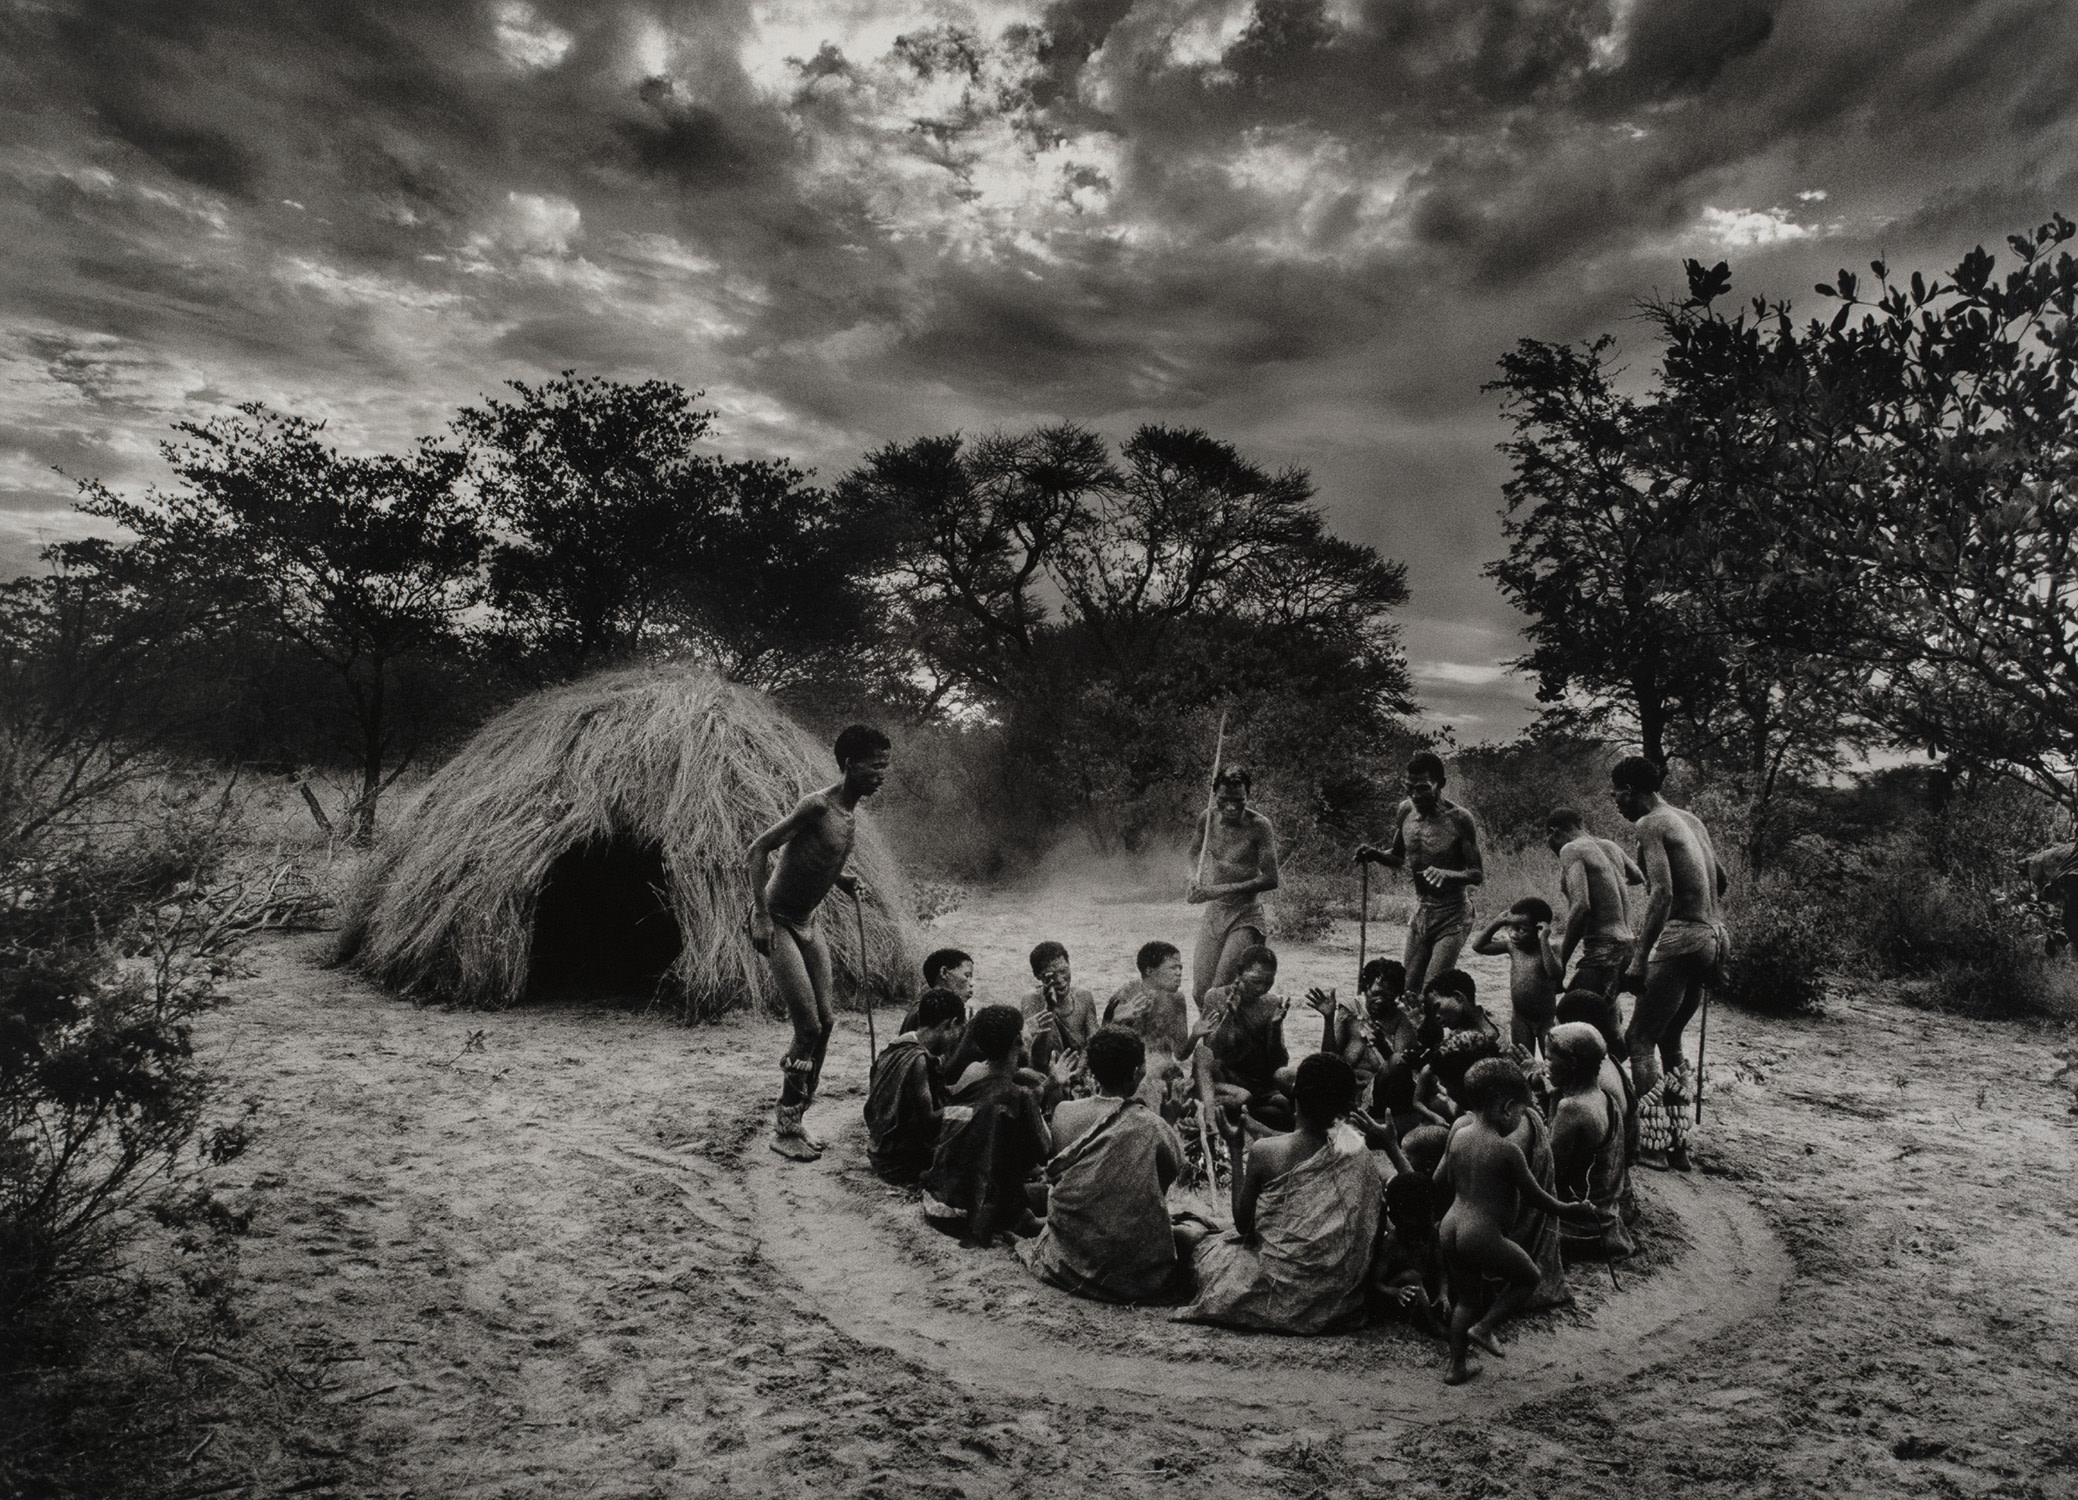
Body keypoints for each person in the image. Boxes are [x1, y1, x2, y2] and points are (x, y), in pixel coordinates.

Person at [747, 723, 890, 1161]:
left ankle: (799, 1115)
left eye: (886, 766)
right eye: (874, 766)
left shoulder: (851, 813)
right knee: (807, 1027)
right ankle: (785, 1127)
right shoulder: (817, 806)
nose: (882, 775)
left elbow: (814, 857)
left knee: (827, 1023)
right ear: (850, 765)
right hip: (780, 922)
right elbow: (758, 850)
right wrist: (760, 913)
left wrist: (843, 879)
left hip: (809, 921)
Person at [1177, 1054, 1385, 1333]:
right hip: (1336, 1296)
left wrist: (1236, 1149)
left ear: (1295, 1097)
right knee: (1211, 1231)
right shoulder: (1359, 1152)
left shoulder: (1267, 1151)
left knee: (1196, 1241)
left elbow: (1244, 1226)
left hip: (1280, 1287)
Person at [1434, 1058, 1604, 1384]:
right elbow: (1539, 1198)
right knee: (1529, 1276)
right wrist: (1573, 1210)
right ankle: (1485, 1328)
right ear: (1508, 1108)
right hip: (1480, 1233)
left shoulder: (1458, 1135)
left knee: (1468, 1299)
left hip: (1450, 1226)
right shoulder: (1507, 1150)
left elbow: (1442, 1180)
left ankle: (1456, 1367)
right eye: (1520, 1113)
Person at [1612, 756, 1728, 1172]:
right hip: (1712, 936)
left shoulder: (1650, 824)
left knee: (1639, 1037)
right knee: (1671, 1039)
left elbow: (1660, 893)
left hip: (1683, 936)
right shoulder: (1688, 819)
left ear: (1630, 790)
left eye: (1616, 796)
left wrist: (1640, 958)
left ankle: (1652, 1146)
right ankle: (1679, 1146)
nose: (1616, 805)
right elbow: (1722, 879)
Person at [1018, 1029, 1193, 1303]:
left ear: (1093, 1071)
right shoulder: (1149, 1124)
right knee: (1188, 1235)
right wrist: (1168, 1119)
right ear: (1137, 1072)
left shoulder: (1064, 1111)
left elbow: (1069, 1179)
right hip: (1125, 1265)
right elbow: (1158, 1186)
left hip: (1070, 1252)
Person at [1355, 752, 1485, 997]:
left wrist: (1447, 874)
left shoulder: (1459, 819)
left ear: (1440, 784)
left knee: (1432, 991)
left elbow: (1476, 874)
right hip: (1421, 912)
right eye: (1409, 787)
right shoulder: (1405, 811)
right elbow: (1396, 856)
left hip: (1453, 915)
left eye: (1423, 788)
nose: (1415, 795)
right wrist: (1373, 854)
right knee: (1408, 992)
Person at [923, 1005, 1051, 1248]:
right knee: (1051, 1193)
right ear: (1018, 1041)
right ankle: (1023, 1223)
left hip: (939, 1202)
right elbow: (1044, 1149)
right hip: (971, 1213)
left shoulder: (973, 1077)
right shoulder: (1018, 1095)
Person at [1546, 807, 1642, 1057]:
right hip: (1629, 945)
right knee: (1604, 1023)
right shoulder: (1609, 846)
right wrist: (1609, 885)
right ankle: (1617, 1079)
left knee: (1569, 1019)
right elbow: (1638, 876)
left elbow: (1581, 907)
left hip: (1604, 950)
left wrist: (1562, 961)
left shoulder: (1571, 849)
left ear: (1554, 832)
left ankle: (1597, 1084)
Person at [1186, 766, 1281, 1004]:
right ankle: (1212, 1034)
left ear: (1247, 797)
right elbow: (1191, 855)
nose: (1230, 806)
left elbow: (1271, 879)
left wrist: (1218, 889)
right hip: (1216, 912)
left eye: (1237, 800)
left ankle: (1222, 1037)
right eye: (1223, 800)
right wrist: (1192, 879)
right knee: (1200, 991)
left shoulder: (1260, 826)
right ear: (1215, 796)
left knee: (1219, 989)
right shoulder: (1206, 819)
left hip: (1246, 914)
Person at [1545, 1022, 1636, 1261]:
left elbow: (1548, 1170)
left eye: (1550, 1059)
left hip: (1581, 1228)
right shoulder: (1605, 1098)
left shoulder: (1571, 1108)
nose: (1546, 1066)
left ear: (1572, 1063)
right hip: (1607, 1222)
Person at [1184, 944, 1294, 1135]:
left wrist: (1274, 1028)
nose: (1261, 988)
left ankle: (1206, 1107)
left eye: (1268, 982)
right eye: (1256, 981)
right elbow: (1213, 1051)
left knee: (1283, 1107)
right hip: (1227, 1078)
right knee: (1238, 1095)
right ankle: (1209, 1116)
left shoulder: (1272, 1003)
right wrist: (1230, 1017)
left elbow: (1278, 1062)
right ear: (1239, 973)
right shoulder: (1215, 997)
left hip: (1258, 1084)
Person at [864, 987, 968, 1185]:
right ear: (952, 1024)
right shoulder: (918, 1060)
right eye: (958, 1032)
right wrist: (964, 1109)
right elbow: (929, 1119)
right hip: (898, 1163)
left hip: (878, 1150)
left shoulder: (897, 1046)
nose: (956, 1039)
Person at [1102, 941, 1192, 1112]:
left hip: (1166, 1073)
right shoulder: (1125, 995)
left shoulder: (1177, 999)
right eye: (1173, 968)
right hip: (1132, 1074)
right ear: (1150, 971)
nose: (1179, 973)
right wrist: (1119, 1021)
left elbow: (1180, 1053)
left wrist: (1195, 1036)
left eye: (1180, 967)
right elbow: (1101, 1048)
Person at [1471, 899, 1564, 1057]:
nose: (1513, 934)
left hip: (1546, 1021)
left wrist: (1544, 941)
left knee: (1552, 1060)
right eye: (1510, 928)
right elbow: (1478, 946)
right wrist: (1497, 923)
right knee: (1521, 1060)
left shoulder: (1552, 948)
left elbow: (1554, 973)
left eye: (1522, 929)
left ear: (1539, 929)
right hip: (1521, 1019)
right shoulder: (1512, 947)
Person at [1371, 1172, 1447, 1338]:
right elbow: (1375, 1283)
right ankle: (1434, 1326)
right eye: (1411, 1229)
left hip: (1424, 1292)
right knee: (1411, 1276)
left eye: (1424, 1225)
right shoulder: (1391, 1244)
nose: (1418, 1238)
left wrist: (1443, 1293)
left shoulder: (1431, 1233)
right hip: (1399, 1298)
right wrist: (1395, 1292)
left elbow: (1441, 1269)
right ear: (1396, 1219)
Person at [1019, 941, 1100, 1081]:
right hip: (1047, 1077)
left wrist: (1080, 1069)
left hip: (1079, 1074)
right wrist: (1049, 1009)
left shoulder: (1084, 997)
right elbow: (1037, 1059)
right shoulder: (1032, 1000)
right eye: (1051, 975)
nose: (1060, 979)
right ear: (1039, 976)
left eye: (1063, 971)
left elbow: (1093, 1041)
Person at [898, 948, 975, 1035]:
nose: (972, 983)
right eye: (967, 976)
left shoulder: (926, 1006)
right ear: (944, 973)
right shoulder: (932, 1011)